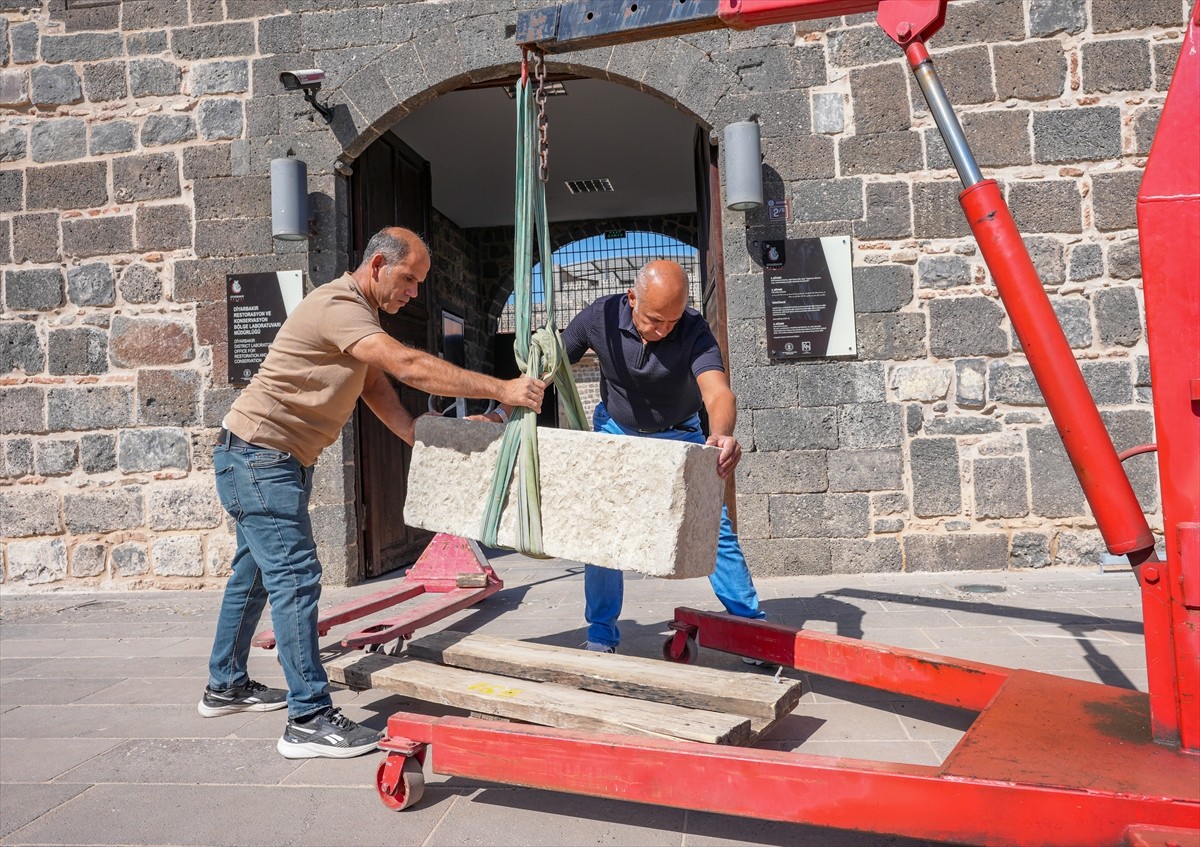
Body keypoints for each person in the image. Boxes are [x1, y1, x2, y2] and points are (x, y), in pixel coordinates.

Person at [199, 227, 546, 759]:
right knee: (295, 578)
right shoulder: (338, 304)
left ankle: (225, 685)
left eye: (420, 283)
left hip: (264, 459)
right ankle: (308, 720)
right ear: (379, 264)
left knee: (255, 576)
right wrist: (503, 388)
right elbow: (406, 366)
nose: (414, 292)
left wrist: (416, 433)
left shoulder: (358, 316)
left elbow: (373, 383)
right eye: (409, 279)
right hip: (259, 458)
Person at [483, 259, 764, 654]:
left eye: (672, 321)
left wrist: (722, 434)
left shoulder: (694, 328)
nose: (664, 330)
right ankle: (601, 635)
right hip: (616, 430)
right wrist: (499, 414)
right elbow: (543, 369)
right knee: (603, 530)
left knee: (712, 526)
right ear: (632, 298)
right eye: (655, 320)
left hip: (679, 432)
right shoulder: (599, 317)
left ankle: (753, 631)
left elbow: (717, 391)